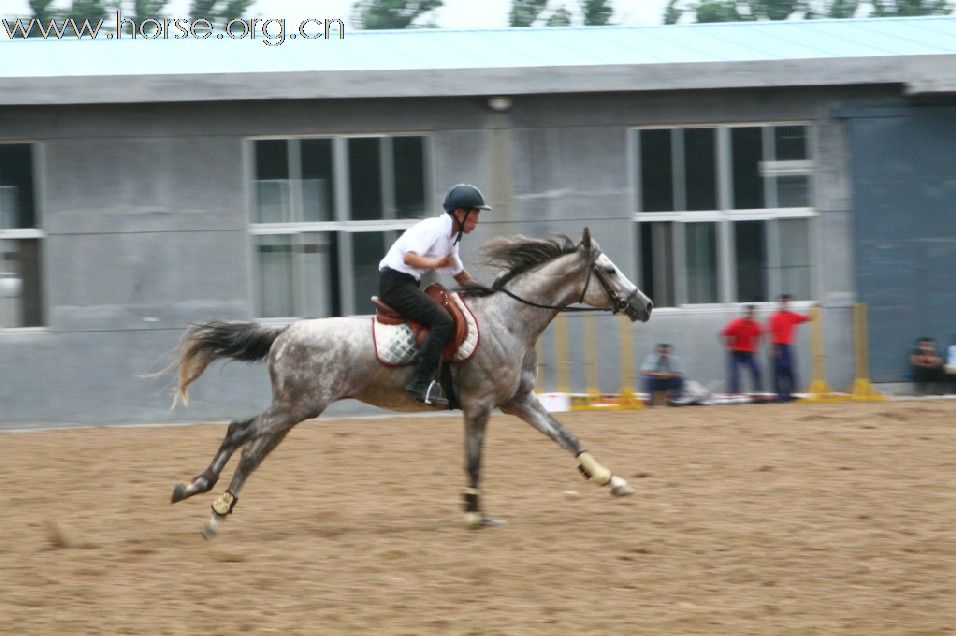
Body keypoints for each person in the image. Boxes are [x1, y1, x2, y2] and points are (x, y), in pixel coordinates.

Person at [378, 184, 490, 406]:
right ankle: (419, 382)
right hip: (395, 284)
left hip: (407, 283)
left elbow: (462, 277)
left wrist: (492, 291)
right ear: (459, 212)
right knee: (443, 321)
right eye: (474, 212)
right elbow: (410, 258)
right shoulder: (435, 228)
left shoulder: (452, 237)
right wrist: (436, 263)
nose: (477, 218)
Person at [768, 294, 812, 402]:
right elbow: (771, 333)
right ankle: (779, 396)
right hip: (778, 346)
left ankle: (789, 394)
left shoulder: (792, 316)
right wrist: (774, 348)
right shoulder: (774, 317)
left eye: (787, 302)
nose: (786, 304)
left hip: (788, 347)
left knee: (790, 371)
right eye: (784, 302)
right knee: (778, 372)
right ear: (780, 303)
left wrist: (814, 308)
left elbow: (806, 318)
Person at [720, 304, 763, 396]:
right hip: (736, 353)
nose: (750, 315)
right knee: (734, 374)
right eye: (748, 313)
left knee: (757, 371)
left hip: (749, 353)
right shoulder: (736, 323)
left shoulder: (756, 325)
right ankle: (735, 394)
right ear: (745, 313)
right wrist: (727, 346)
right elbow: (723, 334)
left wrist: (755, 348)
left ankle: (758, 393)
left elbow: (758, 336)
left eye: (752, 313)